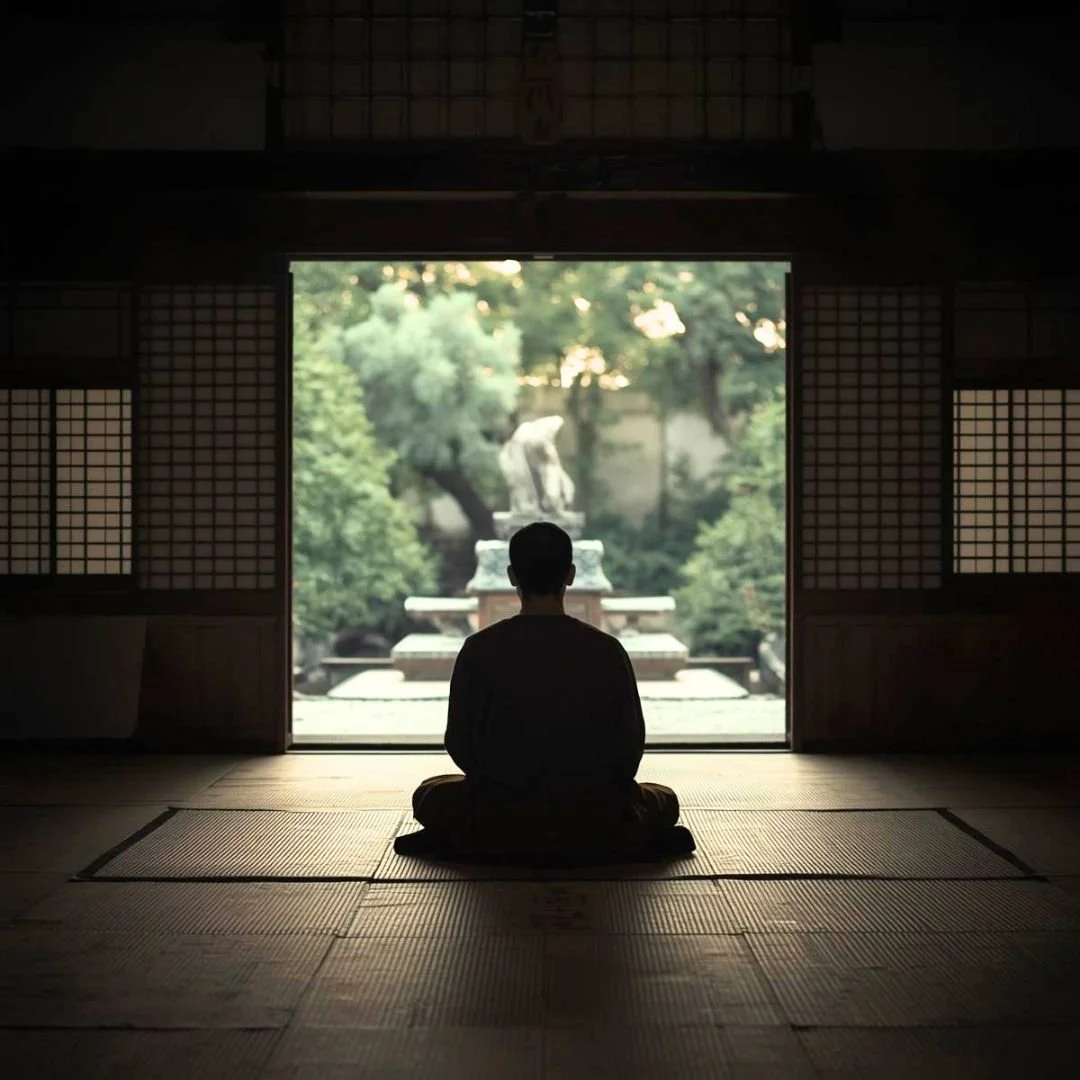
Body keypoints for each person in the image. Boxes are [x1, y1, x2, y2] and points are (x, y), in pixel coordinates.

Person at [395, 521, 696, 863]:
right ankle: (621, 838)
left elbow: (459, 742)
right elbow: (629, 747)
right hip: (593, 811)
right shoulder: (607, 649)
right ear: (570, 574)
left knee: (431, 794)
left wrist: (500, 783)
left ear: (511, 575)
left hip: (501, 810)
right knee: (663, 799)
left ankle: (475, 839)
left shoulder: (479, 648)